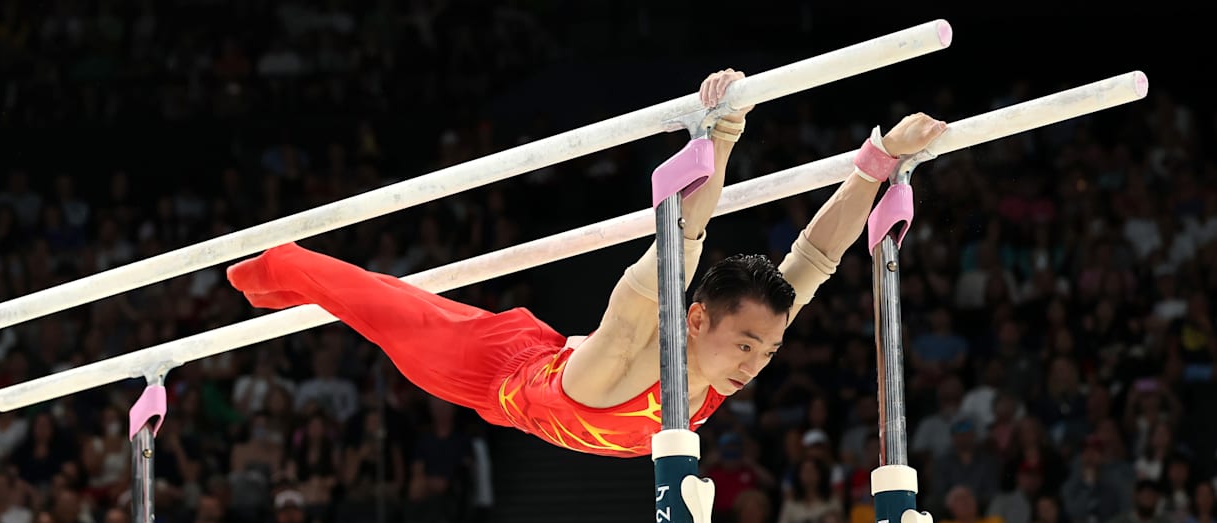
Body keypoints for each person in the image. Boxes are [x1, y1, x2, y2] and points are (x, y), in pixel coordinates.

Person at [225, 70, 947, 457]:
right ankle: (272, 267)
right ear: (695, 319)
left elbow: (816, 256)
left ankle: (282, 271)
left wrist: (880, 159)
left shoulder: (718, 357)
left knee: (379, 303)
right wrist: (720, 137)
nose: (755, 364)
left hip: (542, 365)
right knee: (370, 301)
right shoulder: (633, 351)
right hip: (493, 372)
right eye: (747, 345)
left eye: (766, 350)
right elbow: (679, 243)